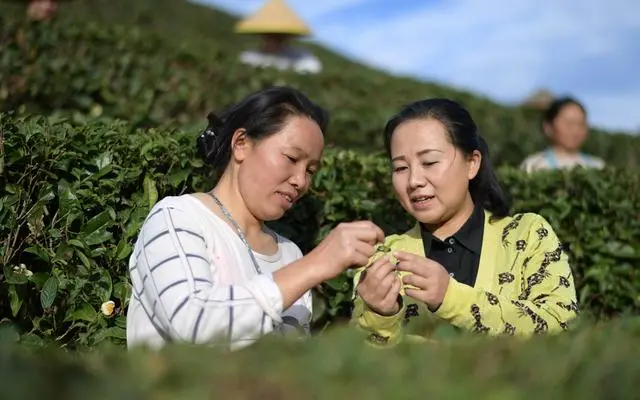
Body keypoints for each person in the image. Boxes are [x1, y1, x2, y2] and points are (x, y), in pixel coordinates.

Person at [126, 86, 385, 351]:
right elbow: (192, 322)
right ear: (241, 144)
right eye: (291, 158)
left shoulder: (290, 254)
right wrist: (315, 265)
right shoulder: (177, 218)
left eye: (310, 170)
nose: (300, 181)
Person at [351, 98, 579, 347]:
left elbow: (561, 326)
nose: (414, 179)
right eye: (401, 167)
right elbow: (356, 365)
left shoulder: (526, 236)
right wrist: (380, 316)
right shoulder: (383, 257)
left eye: (429, 162)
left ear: (472, 163)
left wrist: (450, 297)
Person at [520, 97, 605, 173]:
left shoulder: (597, 166)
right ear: (548, 127)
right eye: (569, 124)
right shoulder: (534, 165)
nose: (575, 130)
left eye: (581, 124)